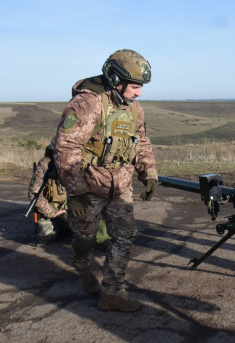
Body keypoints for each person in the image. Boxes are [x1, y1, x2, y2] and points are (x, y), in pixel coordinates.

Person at [53, 49, 158, 312]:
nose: (139, 93)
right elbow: (66, 148)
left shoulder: (134, 109)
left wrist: (149, 173)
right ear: (116, 79)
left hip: (120, 186)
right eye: (135, 86)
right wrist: (75, 192)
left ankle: (112, 292)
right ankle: (85, 271)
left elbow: (141, 142)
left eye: (140, 87)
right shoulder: (88, 104)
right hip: (88, 186)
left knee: (124, 237)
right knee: (85, 240)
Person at [27, 144, 110, 251]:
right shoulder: (45, 166)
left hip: (72, 206)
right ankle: (64, 226)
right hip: (53, 209)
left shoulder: (76, 164)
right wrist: (51, 212)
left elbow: (83, 187)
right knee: (46, 236)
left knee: (92, 226)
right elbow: (34, 194)